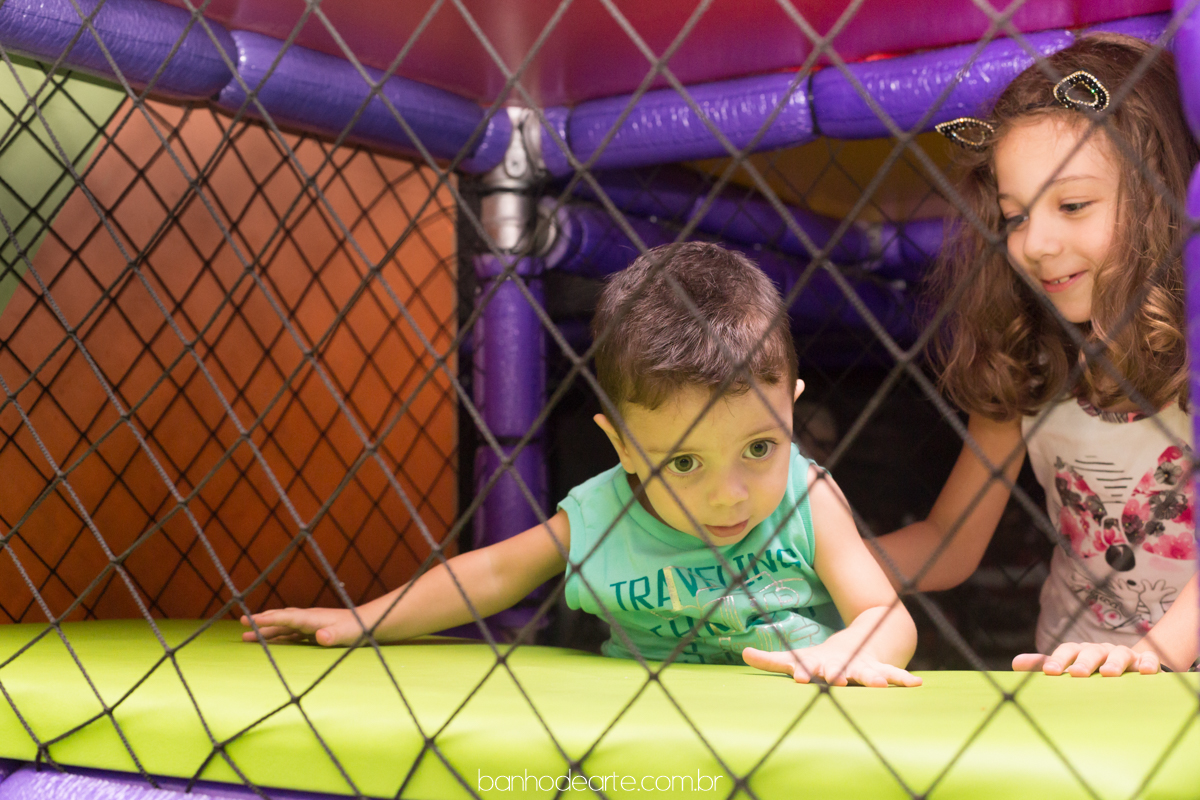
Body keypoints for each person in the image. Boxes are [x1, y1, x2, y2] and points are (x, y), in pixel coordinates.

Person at [242, 242, 921, 687]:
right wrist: (362, 620)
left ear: (792, 414)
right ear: (622, 447)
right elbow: (495, 571)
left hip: (792, 718)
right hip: (641, 728)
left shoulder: (807, 498)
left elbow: (888, 615)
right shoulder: (603, 513)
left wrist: (853, 652)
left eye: (758, 449)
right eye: (684, 462)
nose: (728, 495)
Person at [877, 33, 1199, 675]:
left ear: (1162, 195)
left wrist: (1150, 658)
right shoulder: (1032, 360)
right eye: (1015, 216)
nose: (1036, 244)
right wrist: (801, 566)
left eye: (1072, 205)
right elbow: (950, 542)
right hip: (1067, 687)